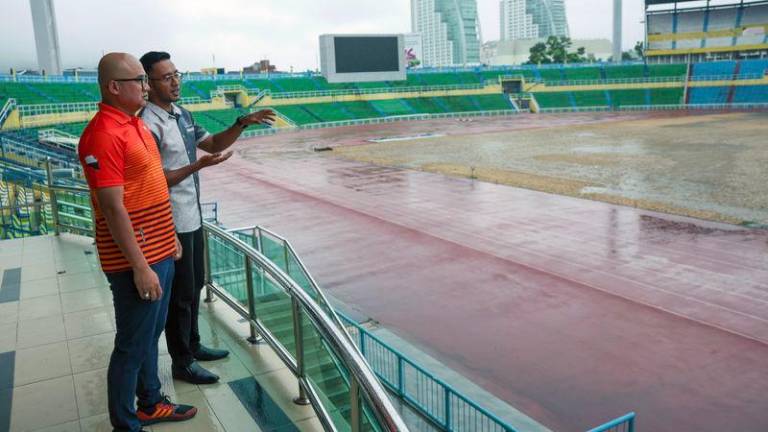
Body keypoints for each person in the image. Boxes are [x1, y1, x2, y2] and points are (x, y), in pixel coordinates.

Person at [139, 51, 276, 384]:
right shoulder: (147, 124)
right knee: (180, 296)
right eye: (166, 77)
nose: (175, 82)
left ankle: (194, 344)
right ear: (149, 83)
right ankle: (181, 362)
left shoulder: (182, 115)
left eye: (177, 75)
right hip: (169, 223)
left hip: (192, 217)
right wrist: (197, 167)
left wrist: (241, 124)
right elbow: (154, 179)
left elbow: (212, 142)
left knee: (195, 285)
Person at [78, 52, 197, 432]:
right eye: (139, 81)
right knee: (131, 345)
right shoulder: (103, 134)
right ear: (115, 87)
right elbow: (113, 208)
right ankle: (126, 424)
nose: (146, 87)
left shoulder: (134, 126)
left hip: (159, 249)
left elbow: (151, 186)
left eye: (146, 81)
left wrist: (169, 239)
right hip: (136, 262)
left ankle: (150, 403)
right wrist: (141, 267)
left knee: (149, 336)